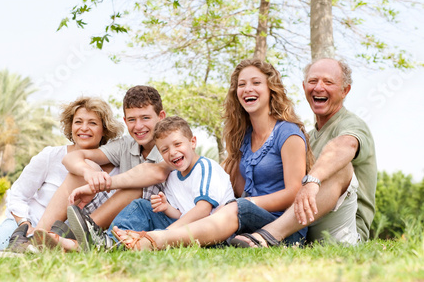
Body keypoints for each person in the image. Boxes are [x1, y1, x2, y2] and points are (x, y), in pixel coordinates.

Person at [115, 58, 377, 250]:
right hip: (252, 222)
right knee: (146, 204)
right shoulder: (247, 138)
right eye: (242, 84)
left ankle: (157, 240)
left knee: (237, 208)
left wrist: (249, 203)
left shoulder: (290, 133)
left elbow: (293, 189)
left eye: (256, 83)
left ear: (270, 89)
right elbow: (234, 188)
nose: (247, 89)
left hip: (289, 226)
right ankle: (113, 239)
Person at [0, 97, 123, 257]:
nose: (84, 128)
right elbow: (17, 194)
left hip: (63, 236)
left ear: (104, 130)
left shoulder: (114, 169)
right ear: (70, 125)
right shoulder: (51, 156)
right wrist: (25, 223)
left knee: (11, 256)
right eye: (78, 122)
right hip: (27, 225)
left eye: (92, 123)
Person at [25, 85, 167, 249]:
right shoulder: (126, 145)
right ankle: (37, 237)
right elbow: (72, 157)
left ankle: (75, 238)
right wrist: (90, 174)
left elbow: (155, 173)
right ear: (125, 120)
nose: (138, 126)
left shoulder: (171, 143)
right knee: (84, 168)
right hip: (122, 216)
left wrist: (105, 183)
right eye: (132, 120)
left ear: (161, 116)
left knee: (135, 186)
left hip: (155, 216)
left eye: (145, 118)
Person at [66, 116, 235, 251]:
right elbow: (181, 213)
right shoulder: (175, 175)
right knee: (141, 205)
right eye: (165, 150)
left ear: (192, 142)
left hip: (212, 232)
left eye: (177, 144)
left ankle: (109, 242)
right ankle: (110, 240)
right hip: (184, 226)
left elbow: (204, 210)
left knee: (145, 213)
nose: (172, 152)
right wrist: (166, 208)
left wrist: (163, 234)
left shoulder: (205, 167)